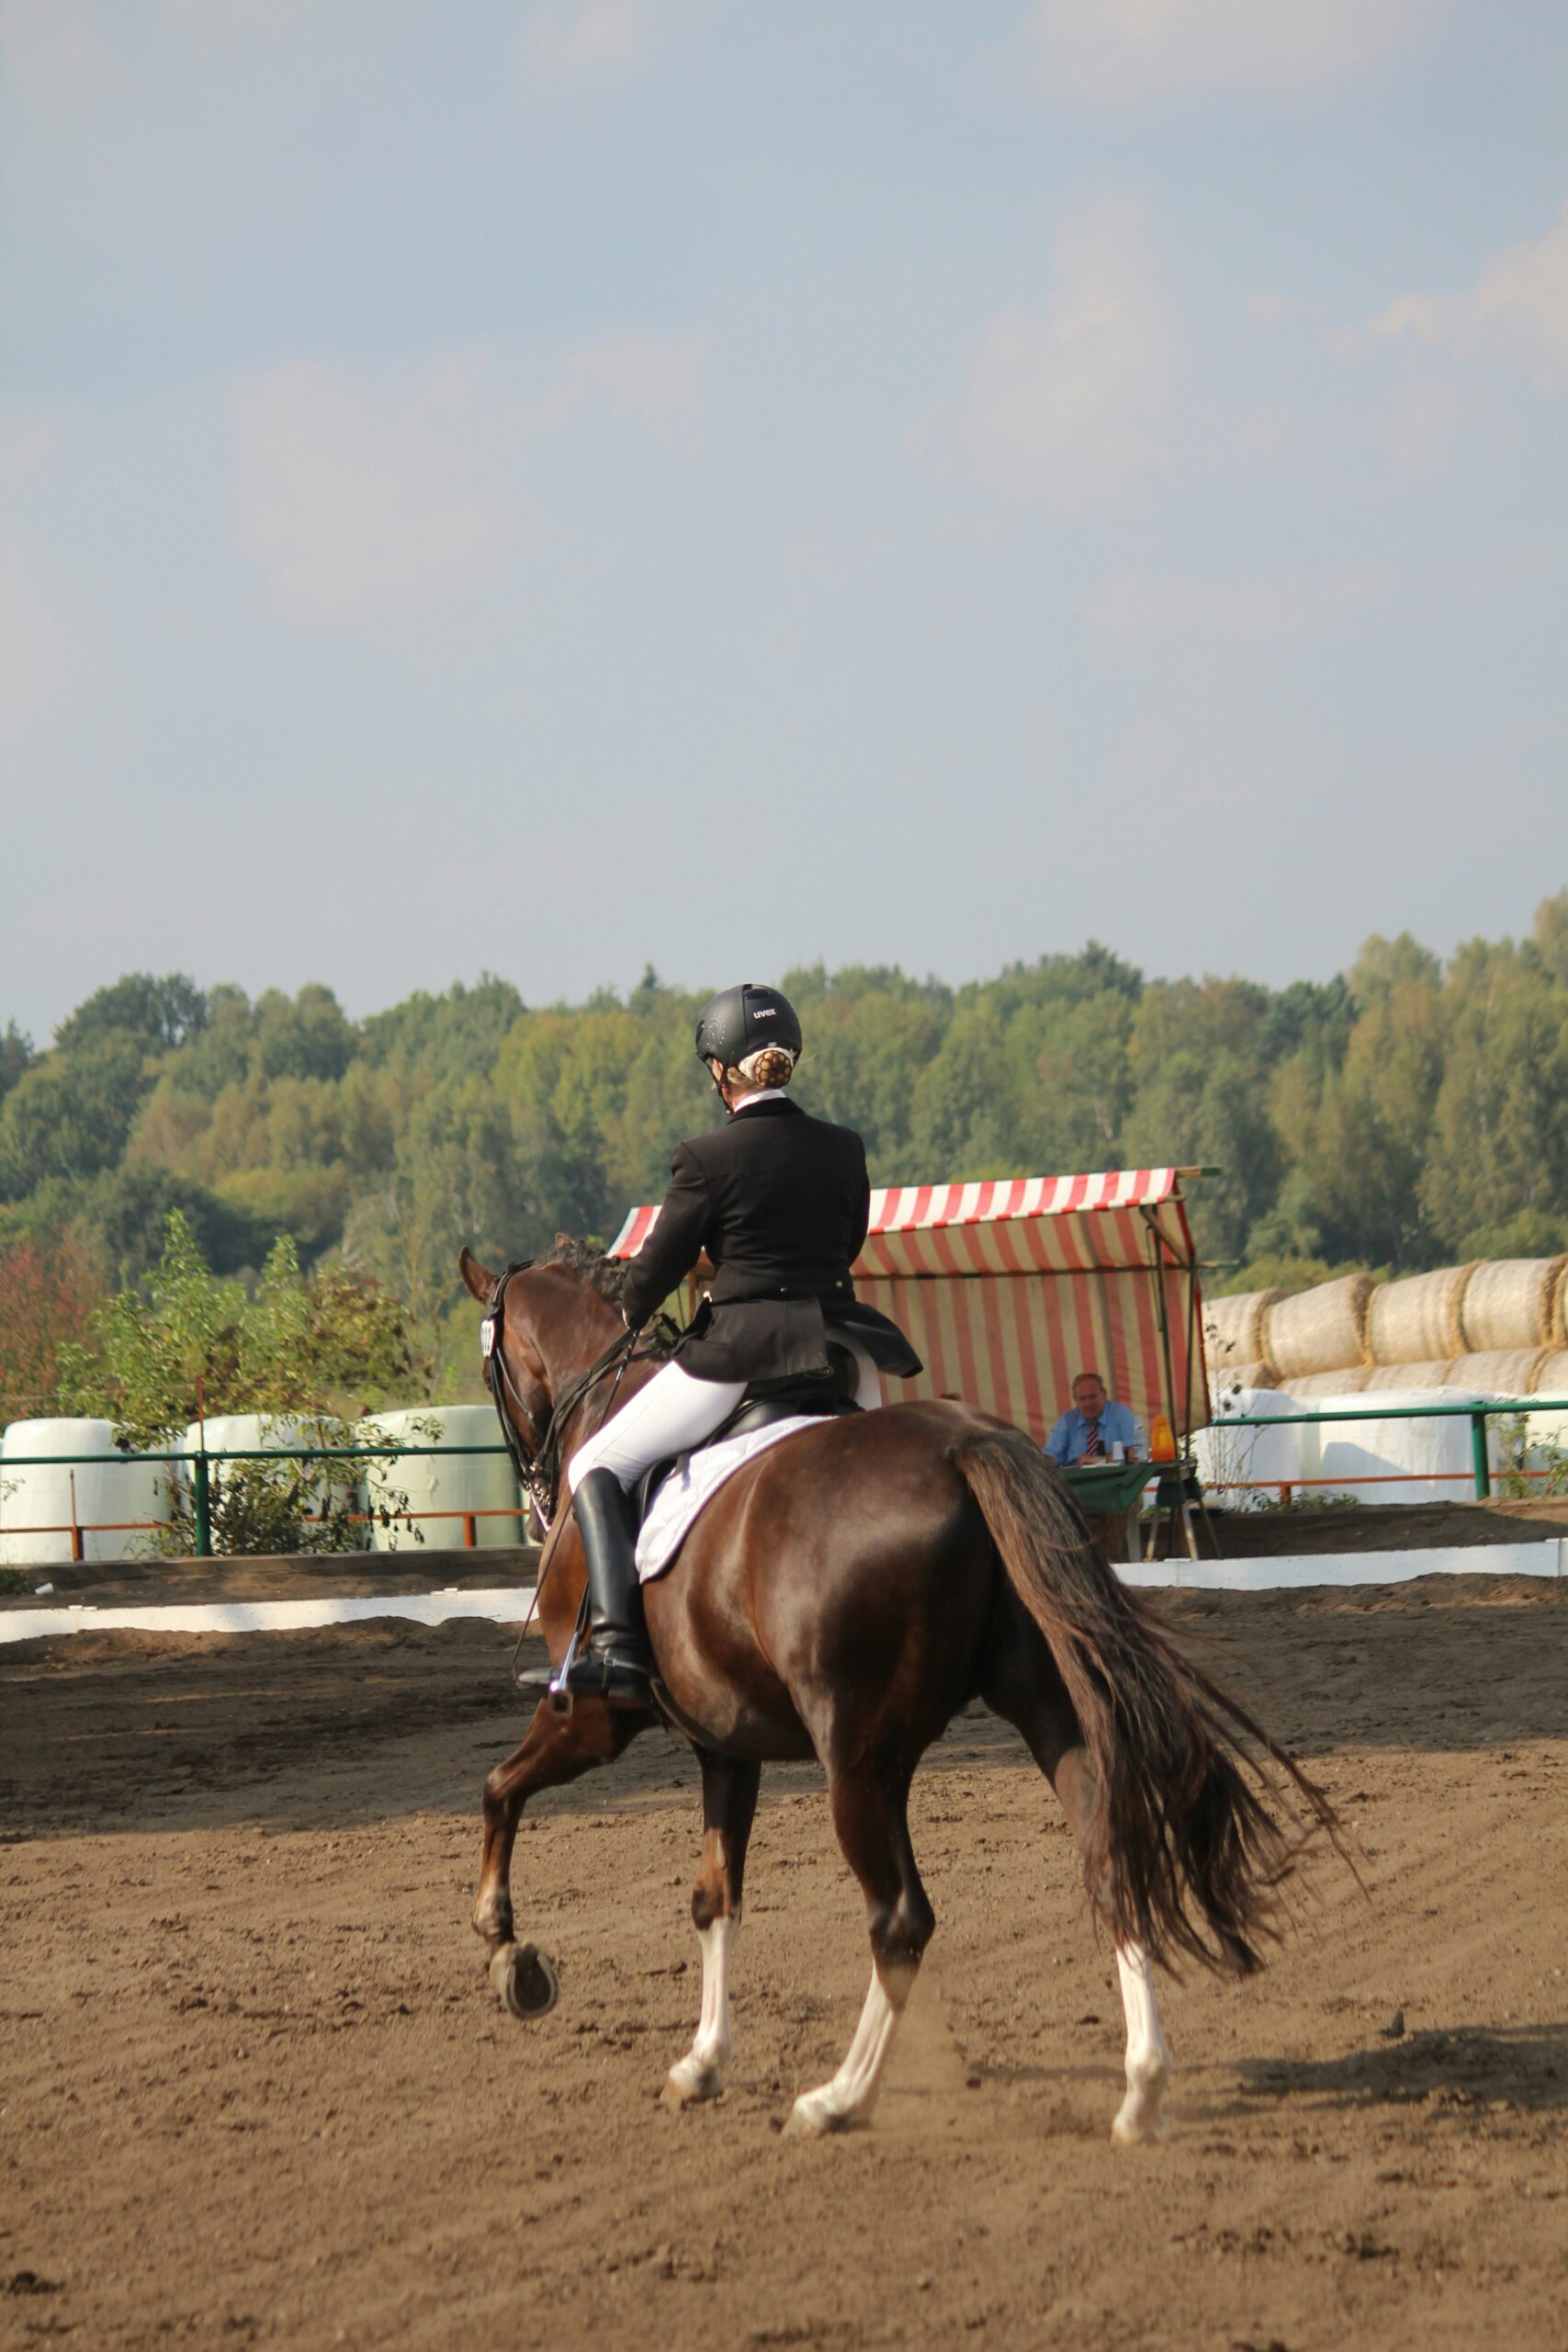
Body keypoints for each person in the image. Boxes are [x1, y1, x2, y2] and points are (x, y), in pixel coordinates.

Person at [539, 981, 921, 1707]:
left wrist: (631, 1305)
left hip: (743, 1355)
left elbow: (650, 1280)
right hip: (842, 1345)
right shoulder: (844, 1148)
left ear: (720, 1070)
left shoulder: (705, 1158)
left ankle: (619, 1648)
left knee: (595, 1462)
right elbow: (848, 1242)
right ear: (789, 1059)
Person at [1044, 1371, 1143, 1467]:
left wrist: (1099, 1460)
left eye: (1092, 1397)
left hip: (1114, 1479)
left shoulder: (1121, 1415)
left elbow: (1135, 1454)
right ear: (1075, 1400)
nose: (1088, 1404)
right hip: (1076, 1480)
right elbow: (1052, 1455)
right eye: (1082, 1399)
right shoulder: (1067, 1420)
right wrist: (1045, 1462)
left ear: (1104, 1394)